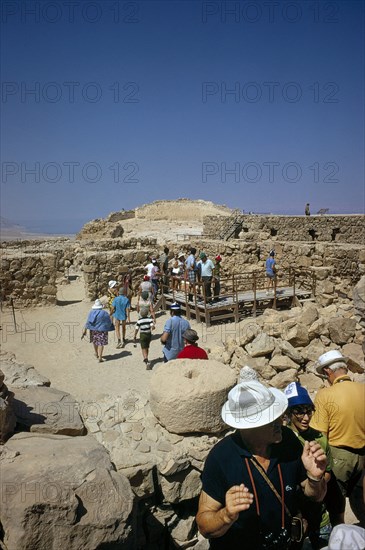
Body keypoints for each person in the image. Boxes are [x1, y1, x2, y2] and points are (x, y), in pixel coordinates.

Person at [196, 379, 328, 549]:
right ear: (249, 427)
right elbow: (204, 525)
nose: (281, 422)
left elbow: (315, 496)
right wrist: (226, 516)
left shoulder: (288, 440)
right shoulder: (221, 457)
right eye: (272, 419)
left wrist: (315, 478)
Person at [284, 382, 345, 548]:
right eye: (299, 411)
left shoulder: (319, 438)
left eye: (309, 411)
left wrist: (316, 481)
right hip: (294, 519)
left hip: (320, 517)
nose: (306, 417)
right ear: (288, 413)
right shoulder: (281, 440)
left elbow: (329, 472)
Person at [310, 350, 365, 522]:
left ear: (328, 371)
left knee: (335, 503)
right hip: (363, 455)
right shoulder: (363, 389)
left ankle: (339, 537)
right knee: (360, 499)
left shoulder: (325, 395)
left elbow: (320, 434)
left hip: (339, 456)